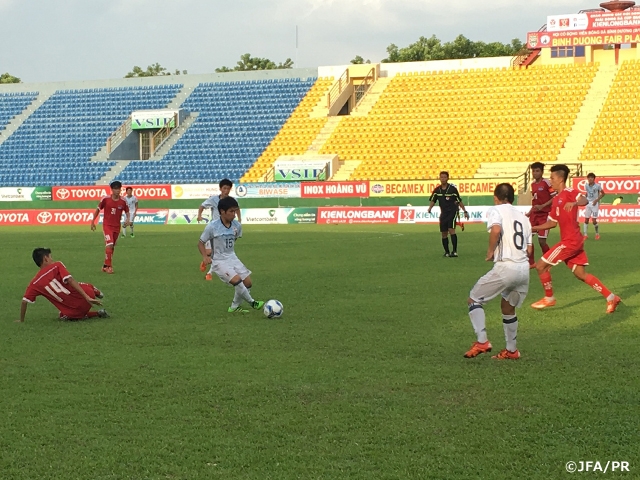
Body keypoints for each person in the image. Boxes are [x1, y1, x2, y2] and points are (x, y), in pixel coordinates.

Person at [530, 164, 620, 313]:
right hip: (573, 241)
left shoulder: (570, 192)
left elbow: (584, 200)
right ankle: (611, 297)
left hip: (570, 242)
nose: (550, 180)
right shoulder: (556, 199)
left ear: (560, 179)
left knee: (540, 266)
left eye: (552, 178)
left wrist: (574, 202)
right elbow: (552, 223)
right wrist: (534, 228)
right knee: (581, 274)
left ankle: (549, 298)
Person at [464, 183, 532, 360]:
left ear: (496, 198)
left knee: (474, 298)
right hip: (524, 269)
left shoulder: (496, 210)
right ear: (512, 198)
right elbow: (530, 250)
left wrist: (490, 251)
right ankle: (512, 350)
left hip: (506, 267)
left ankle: (482, 341)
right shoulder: (524, 218)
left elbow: (496, 229)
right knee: (508, 308)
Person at [198, 197, 264, 313]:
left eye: (235, 211)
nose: (234, 214)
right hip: (219, 261)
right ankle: (252, 302)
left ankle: (234, 307)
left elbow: (234, 239)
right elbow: (200, 243)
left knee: (248, 283)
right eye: (231, 211)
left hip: (232, 257)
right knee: (237, 280)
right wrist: (205, 256)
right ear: (222, 212)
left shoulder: (237, 226)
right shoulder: (212, 226)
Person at [18, 248, 108, 322]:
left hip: (73, 311)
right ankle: (96, 291)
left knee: (63, 315)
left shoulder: (34, 283)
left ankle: (98, 313)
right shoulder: (57, 265)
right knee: (85, 285)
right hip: (87, 296)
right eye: (50, 257)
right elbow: (70, 280)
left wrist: (21, 320)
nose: (52, 259)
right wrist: (87, 297)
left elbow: (24, 301)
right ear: (45, 258)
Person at [196, 179, 242, 279]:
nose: (226, 190)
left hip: (225, 230)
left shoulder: (232, 200)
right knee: (209, 252)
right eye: (224, 188)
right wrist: (199, 215)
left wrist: (239, 219)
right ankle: (207, 263)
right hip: (214, 229)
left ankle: (210, 273)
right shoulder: (213, 199)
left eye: (228, 188)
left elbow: (237, 209)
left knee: (220, 253)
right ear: (220, 188)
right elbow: (202, 206)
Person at [91, 180, 130, 274]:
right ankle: (109, 266)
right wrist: (93, 221)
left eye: (119, 189)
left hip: (117, 226)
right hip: (107, 225)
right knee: (110, 244)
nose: (117, 191)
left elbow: (127, 212)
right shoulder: (105, 199)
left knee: (112, 247)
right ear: (112, 190)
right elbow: (98, 209)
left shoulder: (123, 201)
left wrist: (128, 219)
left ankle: (105, 265)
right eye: (115, 189)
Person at [427, 171, 470, 257]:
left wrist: (465, 211)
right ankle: (446, 252)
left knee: (451, 230)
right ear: (439, 178)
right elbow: (433, 200)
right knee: (443, 233)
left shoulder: (452, 189)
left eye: (444, 177)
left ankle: (454, 251)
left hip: (452, 212)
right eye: (441, 177)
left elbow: (459, 200)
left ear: (447, 178)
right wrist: (430, 208)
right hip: (443, 213)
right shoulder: (437, 190)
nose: (443, 179)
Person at [525, 162, 555, 268]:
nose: (535, 173)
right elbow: (535, 201)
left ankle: (549, 260)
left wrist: (543, 206)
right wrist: (529, 212)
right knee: (528, 238)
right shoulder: (533, 184)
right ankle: (531, 262)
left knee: (542, 241)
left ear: (542, 172)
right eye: (533, 171)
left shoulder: (547, 183)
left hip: (544, 215)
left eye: (537, 171)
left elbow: (554, 197)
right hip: (534, 215)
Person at [583, 173, 605, 240]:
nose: (590, 179)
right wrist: (584, 199)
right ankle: (585, 235)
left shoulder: (597, 186)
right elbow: (587, 193)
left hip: (595, 204)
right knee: (586, 219)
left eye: (591, 177)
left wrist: (596, 200)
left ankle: (597, 234)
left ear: (594, 179)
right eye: (589, 177)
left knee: (594, 221)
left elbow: (603, 193)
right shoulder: (586, 185)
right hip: (588, 203)